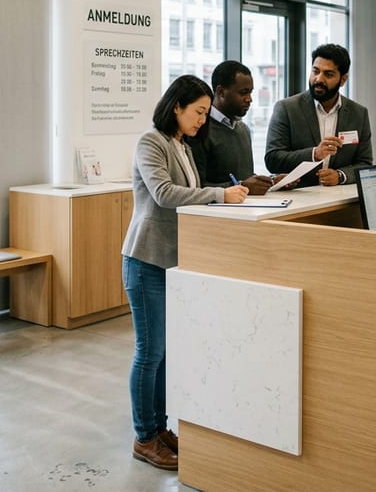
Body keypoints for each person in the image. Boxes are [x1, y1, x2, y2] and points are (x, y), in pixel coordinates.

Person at [121, 74, 248, 471]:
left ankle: (161, 429)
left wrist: (229, 192)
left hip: (173, 261)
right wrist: (217, 194)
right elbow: (164, 194)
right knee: (149, 352)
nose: (201, 121)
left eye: (206, 114)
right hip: (146, 260)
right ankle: (145, 437)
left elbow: (192, 191)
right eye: (197, 112)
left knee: (165, 353)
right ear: (176, 106)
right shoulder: (151, 142)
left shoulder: (182, 145)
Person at [264, 43, 373, 187]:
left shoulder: (359, 114)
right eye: (315, 71)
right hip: (299, 200)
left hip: (341, 200)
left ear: (343, 80)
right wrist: (314, 154)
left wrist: (340, 176)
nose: (319, 79)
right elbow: (273, 159)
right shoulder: (286, 109)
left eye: (328, 74)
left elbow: (365, 164)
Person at [190, 60, 284, 195]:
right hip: (214, 214)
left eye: (250, 92)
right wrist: (240, 186)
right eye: (243, 93)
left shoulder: (243, 130)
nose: (249, 99)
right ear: (221, 92)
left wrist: (272, 182)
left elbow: (245, 178)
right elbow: (196, 187)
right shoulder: (200, 129)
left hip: (246, 211)